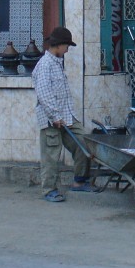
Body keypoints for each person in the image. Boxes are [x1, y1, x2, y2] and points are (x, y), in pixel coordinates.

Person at [32, 26, 94, 202]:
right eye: (66, 46)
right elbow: (44, 94)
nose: (67, 50)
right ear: (58, 45)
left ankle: (79, 181)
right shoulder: (45, 65)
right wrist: (55, 116)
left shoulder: (57, 63)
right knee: (51, 155)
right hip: (51, 119)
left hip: (66, 116)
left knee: (83, 142)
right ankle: (49, 190)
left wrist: (62, 117)